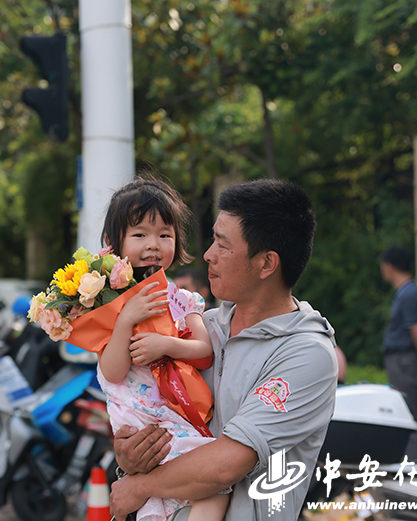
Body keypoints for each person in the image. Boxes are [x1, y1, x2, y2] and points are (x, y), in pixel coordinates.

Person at [110, 178, 338, 521]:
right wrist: (130, 454)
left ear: (266, 264)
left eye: (222, 244)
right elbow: (149, 410)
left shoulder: (306, 354)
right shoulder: (198, 329)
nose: (208, 255)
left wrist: (139, 487)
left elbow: (226, 465)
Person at [96, 177, 229, 521]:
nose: (153, 245)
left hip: (178, 414)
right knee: (182, 493)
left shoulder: (182, 299)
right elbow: (112, 372)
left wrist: (166, 345)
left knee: (212, 486)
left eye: (165, 235)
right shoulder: (106, 305)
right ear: (112, 242)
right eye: (140, 234)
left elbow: (204, 352)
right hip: (139, 423)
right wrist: (126, 319)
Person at [379, 246, 417, 459]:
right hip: (403, 361)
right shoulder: (407, 292)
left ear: (389, 267)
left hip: (404, 361)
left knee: (411, 414)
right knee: (411, 411)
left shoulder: (409, 294)